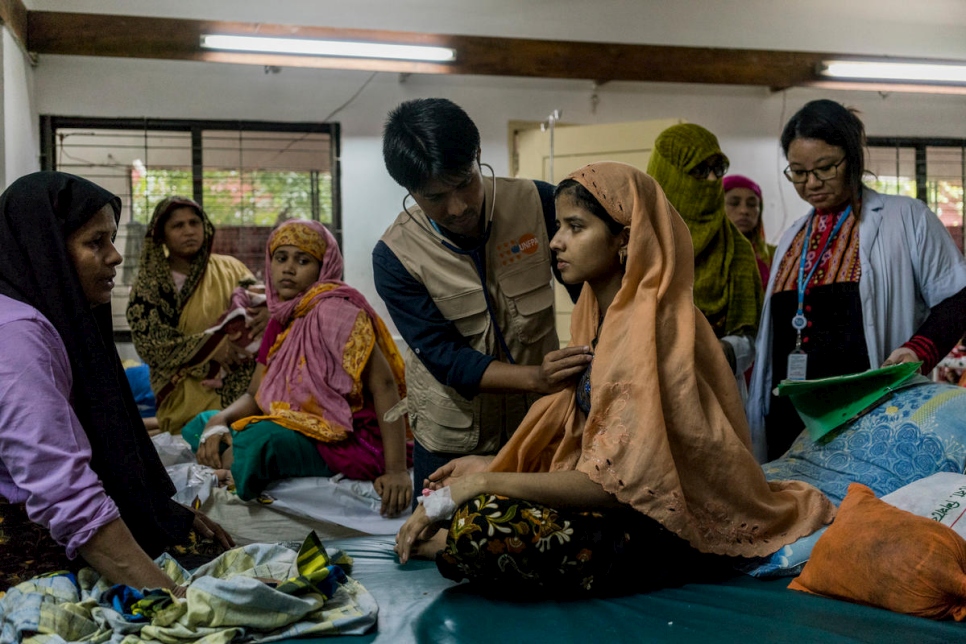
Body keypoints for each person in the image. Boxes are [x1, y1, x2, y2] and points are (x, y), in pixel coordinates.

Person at [394, 162, 834, 594]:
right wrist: (490, 466)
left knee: (483, 524)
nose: (556, 243)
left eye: (575, 227)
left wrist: (484, 481)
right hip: (617, 512)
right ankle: (452, 536)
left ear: (625, 239)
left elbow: (618, 484)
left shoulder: (652, 330)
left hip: (659, 527)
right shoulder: (599, 319)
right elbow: (588, 447)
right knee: (477, 508)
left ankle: (445, 545)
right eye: (558, 226)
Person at [0, 171, 232, 591]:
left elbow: (100, 432)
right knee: (207, 582)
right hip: (18, 540)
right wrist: (171, 597)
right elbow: (64, 492)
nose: (114, 256)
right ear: (45, 250)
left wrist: (161, 510)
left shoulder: (37, 315)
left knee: (199, 545)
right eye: (94, 243)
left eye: (112, 238)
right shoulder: (17, 337)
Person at [372, 98, 589, 504]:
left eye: (463, 183)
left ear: (477, 157)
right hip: (452, 436)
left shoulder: (539, 204)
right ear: (409, 190)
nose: (458, 208)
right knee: (449, 544)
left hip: (539, 421)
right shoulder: (395, 257)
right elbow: (445, 356)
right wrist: (535, 378)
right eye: (435, 197)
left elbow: (590, 291)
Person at [747, 99, 966, 461]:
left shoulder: (905, 218)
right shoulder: (792, 237)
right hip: (790, 423)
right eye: (798, 173)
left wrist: (917, 351)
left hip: (868, 417)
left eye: (825, 168)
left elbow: (958, 299)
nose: (811, 183)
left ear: (853, 158)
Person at [195, 219, 413, 517]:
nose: (288, 268)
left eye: (303, 260)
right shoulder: (281, 317)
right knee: (202, 423)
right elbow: (256, 394)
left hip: (344, 434)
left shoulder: (338, 311)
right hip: (296, 421)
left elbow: (385, 386)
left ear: (324, 267)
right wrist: (219, 420)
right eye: (281, 258)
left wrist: (397, 470)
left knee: (259, 442)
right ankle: (231, 457)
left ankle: (234, 464)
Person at [127, 196, 268, 435]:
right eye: (178, 226)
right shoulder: (151, 286)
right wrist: (215, 348)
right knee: (199, 433)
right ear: (161, 235)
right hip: (183, 389)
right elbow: (151, 346)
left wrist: (267, 310)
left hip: (241, 381)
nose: (189, 231)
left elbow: (256, 300)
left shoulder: (230, 268)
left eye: (194, 223)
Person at [646, 123, 762, 386]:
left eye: (717, 169)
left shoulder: (737, 249)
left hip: (715, 387)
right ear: (670, 174)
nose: (712, 180)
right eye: (699, 170)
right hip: (643, 387)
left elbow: (750, 335)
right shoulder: (634, 244)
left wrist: (726, 350)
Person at [724, 174, 776, 286]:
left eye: (752, 204)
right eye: (734, 203)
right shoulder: (703, 254)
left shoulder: (775, 256)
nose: (744, 210)